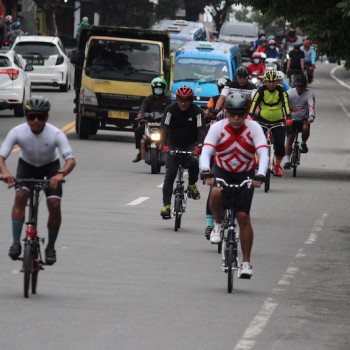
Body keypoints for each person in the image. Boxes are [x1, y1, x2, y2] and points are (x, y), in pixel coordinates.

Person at [0, 96, 76, 265]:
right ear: (26, 116)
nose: (35, 121)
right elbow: (1, 157)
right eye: (31, 117)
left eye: (40, 117)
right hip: (26, 166)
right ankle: (15, 243)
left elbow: (70, 160)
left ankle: (50, 247)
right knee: (20, 196)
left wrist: (60, 174)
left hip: (50, 168)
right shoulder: (17, 132)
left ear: (46, 118)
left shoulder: (56, 134)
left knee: (54, 205)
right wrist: (5, 173)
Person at [200, 93, 268, 278]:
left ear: (246, 113)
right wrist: (206, 170)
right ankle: (219, 224)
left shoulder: (254, 128)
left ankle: (245, 263)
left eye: (240, 114)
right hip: (222, 170)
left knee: (243, 217)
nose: (237, 118)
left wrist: (261, 174)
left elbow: (263, 152)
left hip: (245, 173)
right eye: (233, 114)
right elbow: (206, 151)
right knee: (215, 193)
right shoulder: (217, 128)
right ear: (226, 113)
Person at [159, 85, 206, 219]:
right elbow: (164, 127)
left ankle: (191, 185)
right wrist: (163, 143)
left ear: (191, 100)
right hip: (173, 144)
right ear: (177, 99)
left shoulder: (197, 112)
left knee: (193, 162)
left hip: (190, 145)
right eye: (180, 100)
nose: (183, 103)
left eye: (186, 100)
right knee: (170, 174)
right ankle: (166, 206)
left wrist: (200, 145)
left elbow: (201, 130)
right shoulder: (170, 110)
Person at [249, 69, 292, 177]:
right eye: (269, 82)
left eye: (274, 82)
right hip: (263, 119)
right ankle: (258, 160)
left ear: (277, 82)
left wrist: (288, 117)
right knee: (258, 141)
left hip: (279, 120)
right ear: (265, 81)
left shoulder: (281, 90)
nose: (271, 84)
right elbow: (254, 103)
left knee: (280, 144)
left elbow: (286, 104)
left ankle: (277, 166)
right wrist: (250, 115)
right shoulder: (261, 90)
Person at [132, 77, 171, 162]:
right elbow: (142, 110)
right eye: (156, 88)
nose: (158, 90)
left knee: (173, 132)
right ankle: (140, 152)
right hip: (149, 124)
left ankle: (172, 153)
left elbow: (172, 111)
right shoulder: (148, 99)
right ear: (153, 88)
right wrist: (140, 116)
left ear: (164, 89)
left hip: (163, 125)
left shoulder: (168, 100)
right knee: (138, 130)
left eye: (160, 88)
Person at [284, 75, 315, 169]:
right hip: (291, 119)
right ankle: (287, 160)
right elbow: (284, 106)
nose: (300, 88)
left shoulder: (309, 94)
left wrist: (311, 116)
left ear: (305, 86)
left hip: (304, 118)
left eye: (302, 86)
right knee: (290, 137)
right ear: (294, 85)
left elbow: (311, 106)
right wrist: (285, 117)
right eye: (298, 86)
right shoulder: (289, 93)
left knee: (306, 127)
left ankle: (303, 142)